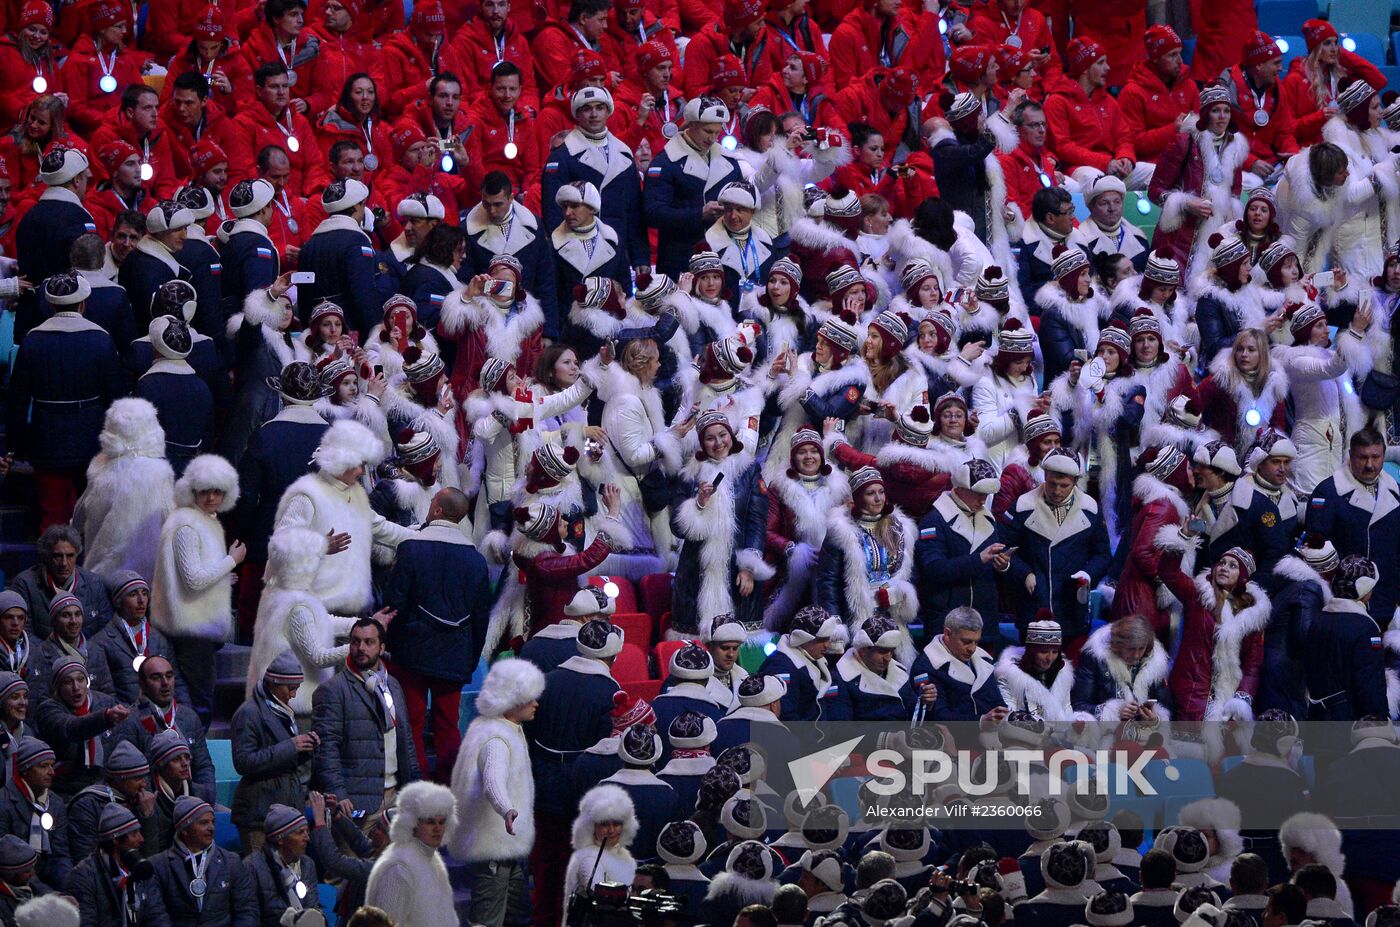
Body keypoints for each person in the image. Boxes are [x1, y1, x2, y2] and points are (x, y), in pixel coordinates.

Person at [6, 272, 123, 531]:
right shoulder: (101, 339)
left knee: (52, 519)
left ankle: (52, 569)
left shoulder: (33, 341)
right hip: (93, 442)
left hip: (46, 443)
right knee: (93, 519)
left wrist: (14, 447)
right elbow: (116, 399)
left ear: (50, 305)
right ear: (83, 304)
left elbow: (17, 401)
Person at [273, 419, 415, 615]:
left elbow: (381, 528)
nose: (362, 472)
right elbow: (281, 545)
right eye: (359, 465)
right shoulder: (307, 495)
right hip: (314, 608)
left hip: (351, 606)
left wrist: (422, 539)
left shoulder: (353, 494)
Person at [448, 657, 542, 927]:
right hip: (495, 850)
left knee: (519, 917)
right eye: (530, 698)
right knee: (487, 922)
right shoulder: (497, 739)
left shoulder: (500, 727)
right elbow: (493, 781)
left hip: (508, 848)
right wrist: (506, 809)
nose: (536, 703)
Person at [1000, 450, 1110, 647]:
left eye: (1064, 486)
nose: (1057, 491)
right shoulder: (1021, 507)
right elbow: (1003, 549)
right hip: (1034, 605)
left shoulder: (1091, 509)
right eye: (1052, 484)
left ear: (1076, 481)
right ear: (1044, 476)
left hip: (1072, 608)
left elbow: (1102, 555)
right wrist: (1023, 573)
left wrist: (1087, 574)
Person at [1305, 431, 1400, 629]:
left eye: (1376, 457)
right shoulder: (1328, 492)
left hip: (1387, 598)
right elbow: (1316, 548)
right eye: (1363, 457)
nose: (1369, 464)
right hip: (1343, 602)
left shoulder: (1396, 493)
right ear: (1350, 455)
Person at [644, 97, 744, 280]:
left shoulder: (729, 162)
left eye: (717, 131)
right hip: (680, 259)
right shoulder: (665, 162)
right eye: (707, 131)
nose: (713, 138)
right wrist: (699, 213)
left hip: (723, 258)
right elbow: (653, 213)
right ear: (691, 124)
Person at [228, 653, 313, 854]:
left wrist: (306, 749)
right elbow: (243, 762)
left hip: (286, 805)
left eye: (296, 689)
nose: (293, 695)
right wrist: (291, 746)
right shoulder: (248, 713)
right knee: (261, 875)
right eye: (290, 688)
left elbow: (284, 759)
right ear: (274, 683)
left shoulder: (283, 711)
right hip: (258, 811)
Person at [914, 460, 1009, 636]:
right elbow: (934, 570)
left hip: (984, 619)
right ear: (959, 488)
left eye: (986, 494)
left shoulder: (987, 519)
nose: (983, 500)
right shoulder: (934, 521)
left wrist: (1002, 566)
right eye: (978, 493)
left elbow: (991, 572)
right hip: (947, 622)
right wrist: (978, 559)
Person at [110, 655, 214, 804]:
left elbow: (203, 765)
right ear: (142, 684)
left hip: (192, 800)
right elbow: (136, 777)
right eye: (156, 677)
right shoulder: (130, 721)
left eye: (169, 676)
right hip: (154, 804)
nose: (165, 683)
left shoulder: (189, 717)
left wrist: (205, 799)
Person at [297, 178, 390, 339]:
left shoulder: (308, 246)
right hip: (349, 333)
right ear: (356, 206)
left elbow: (303, 297)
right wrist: (377, 332)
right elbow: (364, 294)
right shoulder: (357, 241)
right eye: (363, 204)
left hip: (318, 334)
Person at [149, 796, 258, 926]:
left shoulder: (231, 861)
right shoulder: (159, 865)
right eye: (203, 823)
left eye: (212, 822)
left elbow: (247, 909)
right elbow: (156, 915)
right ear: (184, 829)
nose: (211, 828)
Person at [364, 780, 460, 927]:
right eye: (430, 822)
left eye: (441, 822)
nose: (437, 829)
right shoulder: (398, 869)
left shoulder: (433, 860)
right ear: (412, 823)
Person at [1305, 557, 1388, 724]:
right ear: (1365, 589)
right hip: (1350, 725)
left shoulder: (1318, 620)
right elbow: (1369, 684)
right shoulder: (1365, 628)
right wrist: (1380, 721)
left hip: (1315, 717)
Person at [33, 657, 129, 799]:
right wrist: (105, 717)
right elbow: (73, 728)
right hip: (64, 789)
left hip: (104, 786)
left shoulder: (104, 702)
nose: (76, 687)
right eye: (67, 682)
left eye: (80, 679)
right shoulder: (48, 710)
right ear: (58, 687)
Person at [1070, 615, 1170, 747]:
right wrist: (1114, 711)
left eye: (1141, 649)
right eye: (1131, 649)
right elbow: (1078, 705)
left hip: (1144, 734)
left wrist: (1154, 719)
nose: (1136, 655)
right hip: (1105, 736)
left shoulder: (1155, 663)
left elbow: (1167, 706)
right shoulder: (1094, 658)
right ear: (1117, 644)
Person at [67, 802, 170, 927]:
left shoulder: (142, 868)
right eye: (134, 834)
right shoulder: (83, 876)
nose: (141, 839)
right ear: (115, 839)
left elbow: (156, 915)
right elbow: (86, 923)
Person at [910, 606, 1006, 723]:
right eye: (966, 642)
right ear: (947, 634)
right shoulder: (926, 666)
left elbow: (998, 703)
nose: (972, 649)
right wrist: (980, 721)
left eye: (976, 642)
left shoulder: (983, 660)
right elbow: (939, 716)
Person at [245, 804, 323, 926]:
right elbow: (249, 917)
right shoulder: (252, 867)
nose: (307, 838)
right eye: (300, 832)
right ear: (280, 838)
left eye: (306, 831)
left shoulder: (307, 864)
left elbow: (313, 906)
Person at [563, 784, 639, 902]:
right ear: (590, 827)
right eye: (604, 824)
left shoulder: (625, 856)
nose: (611, 830)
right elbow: (600, 898)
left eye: (616, 824)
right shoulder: (589, 858)